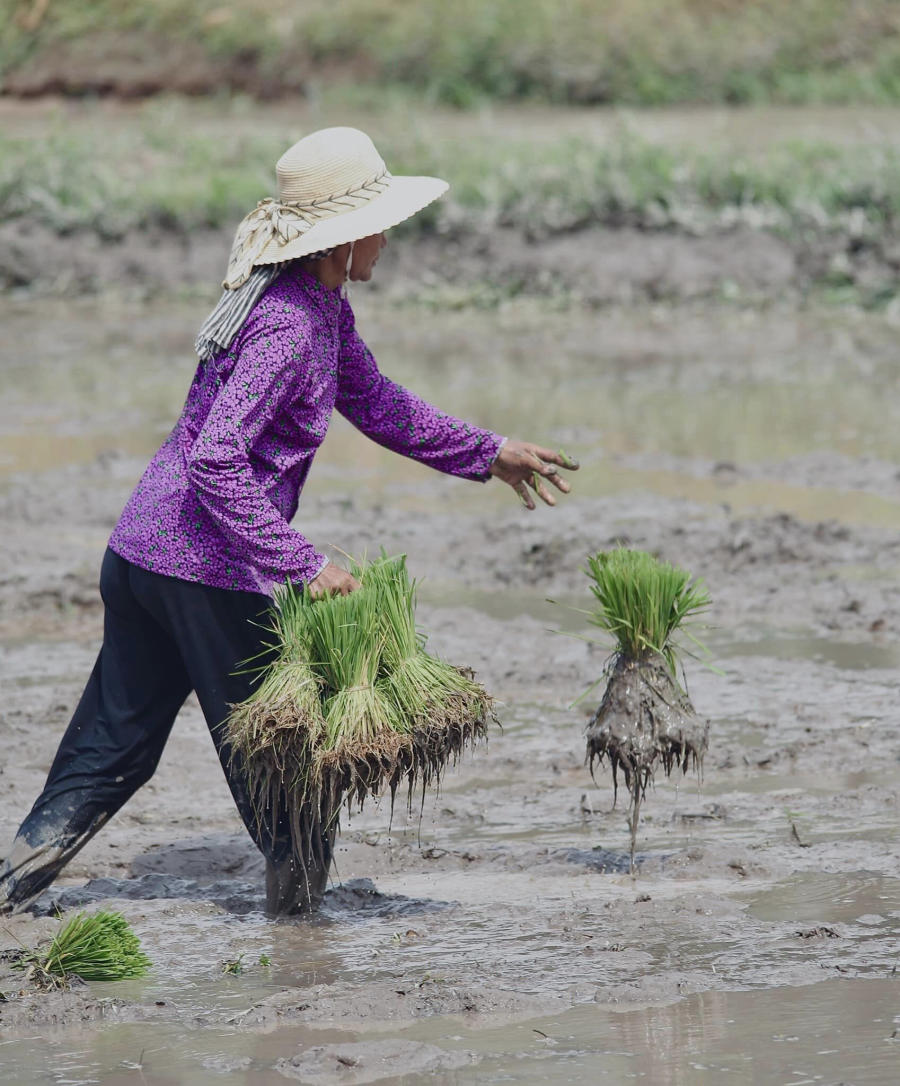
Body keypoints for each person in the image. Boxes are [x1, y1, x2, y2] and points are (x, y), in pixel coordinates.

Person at [0, 127, 576, 917]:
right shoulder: (289, 327)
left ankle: (8, 887)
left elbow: (377, 402)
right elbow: (213, 460)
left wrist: (489, 451)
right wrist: (299, 561)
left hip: (142, 556)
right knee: (290, 777)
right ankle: (302, 947)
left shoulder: (313, 308)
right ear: (338, 240)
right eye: (378, 223)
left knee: (111, 752)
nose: (387, 239)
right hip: (205, 572)